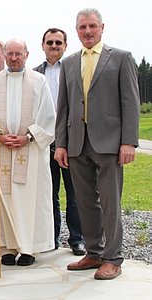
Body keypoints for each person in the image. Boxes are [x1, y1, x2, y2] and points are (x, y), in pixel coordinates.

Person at [55, 8, 140, 280]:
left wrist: (128, 142)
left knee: (111, 202)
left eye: (92, 26)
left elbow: (130, 103)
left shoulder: (121, 58)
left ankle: (113, 258)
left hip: (110, 144)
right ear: (76, 30)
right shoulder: (69, 63)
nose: (88, 31)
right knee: (84, 200)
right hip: (78, 143)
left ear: (102, 27)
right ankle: (93, 252)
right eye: (82, 27)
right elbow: (64, 108)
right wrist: (61, 144)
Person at [0, 38, 56, 266]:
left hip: (30, 151)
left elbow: (48, 116)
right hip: (2, 148)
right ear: (5, 55)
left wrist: (28, 136)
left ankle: (28, 248)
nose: (14, 58)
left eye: (18, 54)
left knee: (29, 199)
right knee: (4, 199)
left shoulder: (39, 81)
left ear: (26, 54)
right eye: (10, 54)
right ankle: (5, 247)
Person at [33, 28, 85, 256]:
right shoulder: (34, 74)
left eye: (58, 43)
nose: (54, 46)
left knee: (75, 194)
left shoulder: (76, 70)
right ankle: (51, 238)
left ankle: (77, 239)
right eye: (50, 42)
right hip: (45, 141)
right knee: (49, 193)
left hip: (72, 141)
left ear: (65, 46)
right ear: (42, 45)